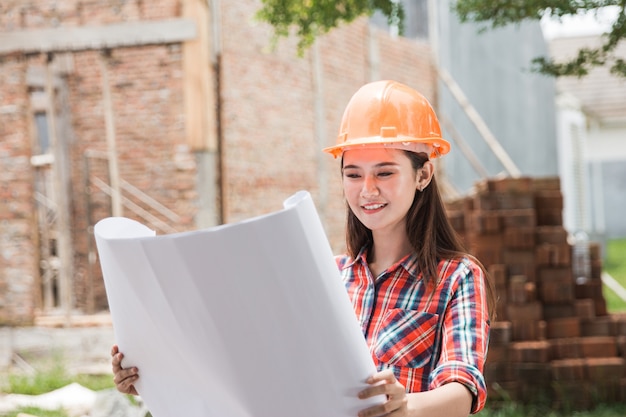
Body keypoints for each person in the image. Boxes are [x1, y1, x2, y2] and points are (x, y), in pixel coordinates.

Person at [111, 80, 495, 417]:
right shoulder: (328, 275)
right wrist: (155, 375)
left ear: (423, 174)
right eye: (353, 174)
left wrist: (405, 405)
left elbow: (462, 391)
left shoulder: (456, 277)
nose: (368, 190)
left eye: (385, 172)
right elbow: (259, 372)